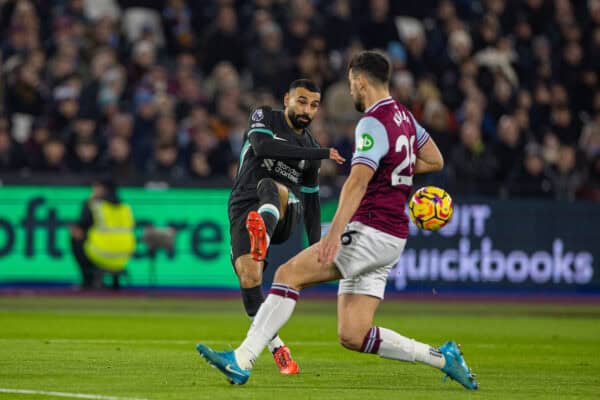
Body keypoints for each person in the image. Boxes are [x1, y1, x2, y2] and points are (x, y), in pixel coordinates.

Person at [196, 51, 478, 390]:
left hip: (370, 229)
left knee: (287, 275)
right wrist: (394, 170)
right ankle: (444, 358)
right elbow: (434, 159)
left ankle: (242, 360)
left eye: (350, 85)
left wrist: (335, 233)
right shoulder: (404, 116)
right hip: (392, 237)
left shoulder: (372, 122)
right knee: (353, 334)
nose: (351, 92)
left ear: (359, 82)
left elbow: (357, 182)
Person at [226, 79, 345, 374]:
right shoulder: (264, 116)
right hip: (243, 208)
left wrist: (316, 248)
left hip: (284, 211)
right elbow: (262, 147)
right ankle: (279, 349)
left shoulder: (310, 147)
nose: (307, 110)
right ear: (286, 99)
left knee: (271, 186)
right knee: (249, 281)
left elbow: (312, 202)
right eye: (302, 102)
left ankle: (261, 235)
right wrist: (321, 154)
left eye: (314, 105)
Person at [70, 177, 136, 290]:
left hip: (101, 253)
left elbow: (81, 226)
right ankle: (113, 280)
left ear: (103, 189)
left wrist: (87, 204)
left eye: (96, 187)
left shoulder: (95, 205)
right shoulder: (126, 207)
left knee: (75, 237)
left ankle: (87, 280)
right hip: (124, 256)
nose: (93, 190)